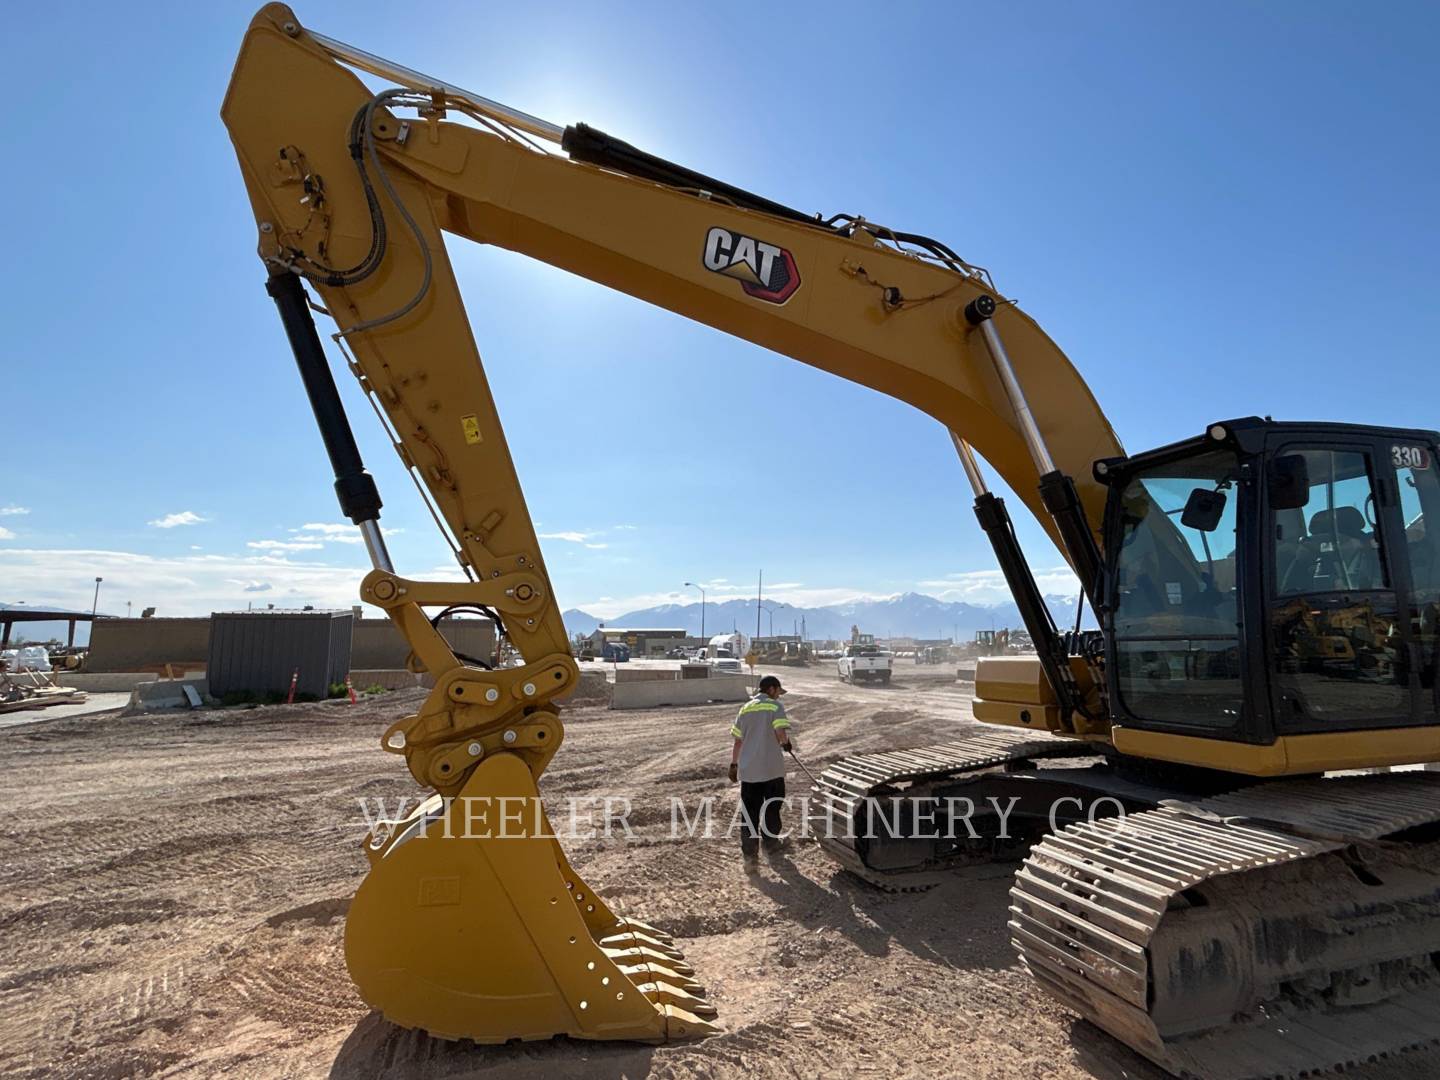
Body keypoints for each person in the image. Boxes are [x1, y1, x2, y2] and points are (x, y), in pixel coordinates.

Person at [728, 674, 793, 870]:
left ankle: (750, 858)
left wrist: (733, 764)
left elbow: (738, 741)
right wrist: (786, 743)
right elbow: (780, 732)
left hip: (749, 771)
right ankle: (771, 844)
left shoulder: (745, 708)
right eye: (778, 692)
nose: (778, 697)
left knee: (749, 813)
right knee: (772, 807)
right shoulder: (775, 707)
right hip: (771, 769)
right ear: (771, 689)